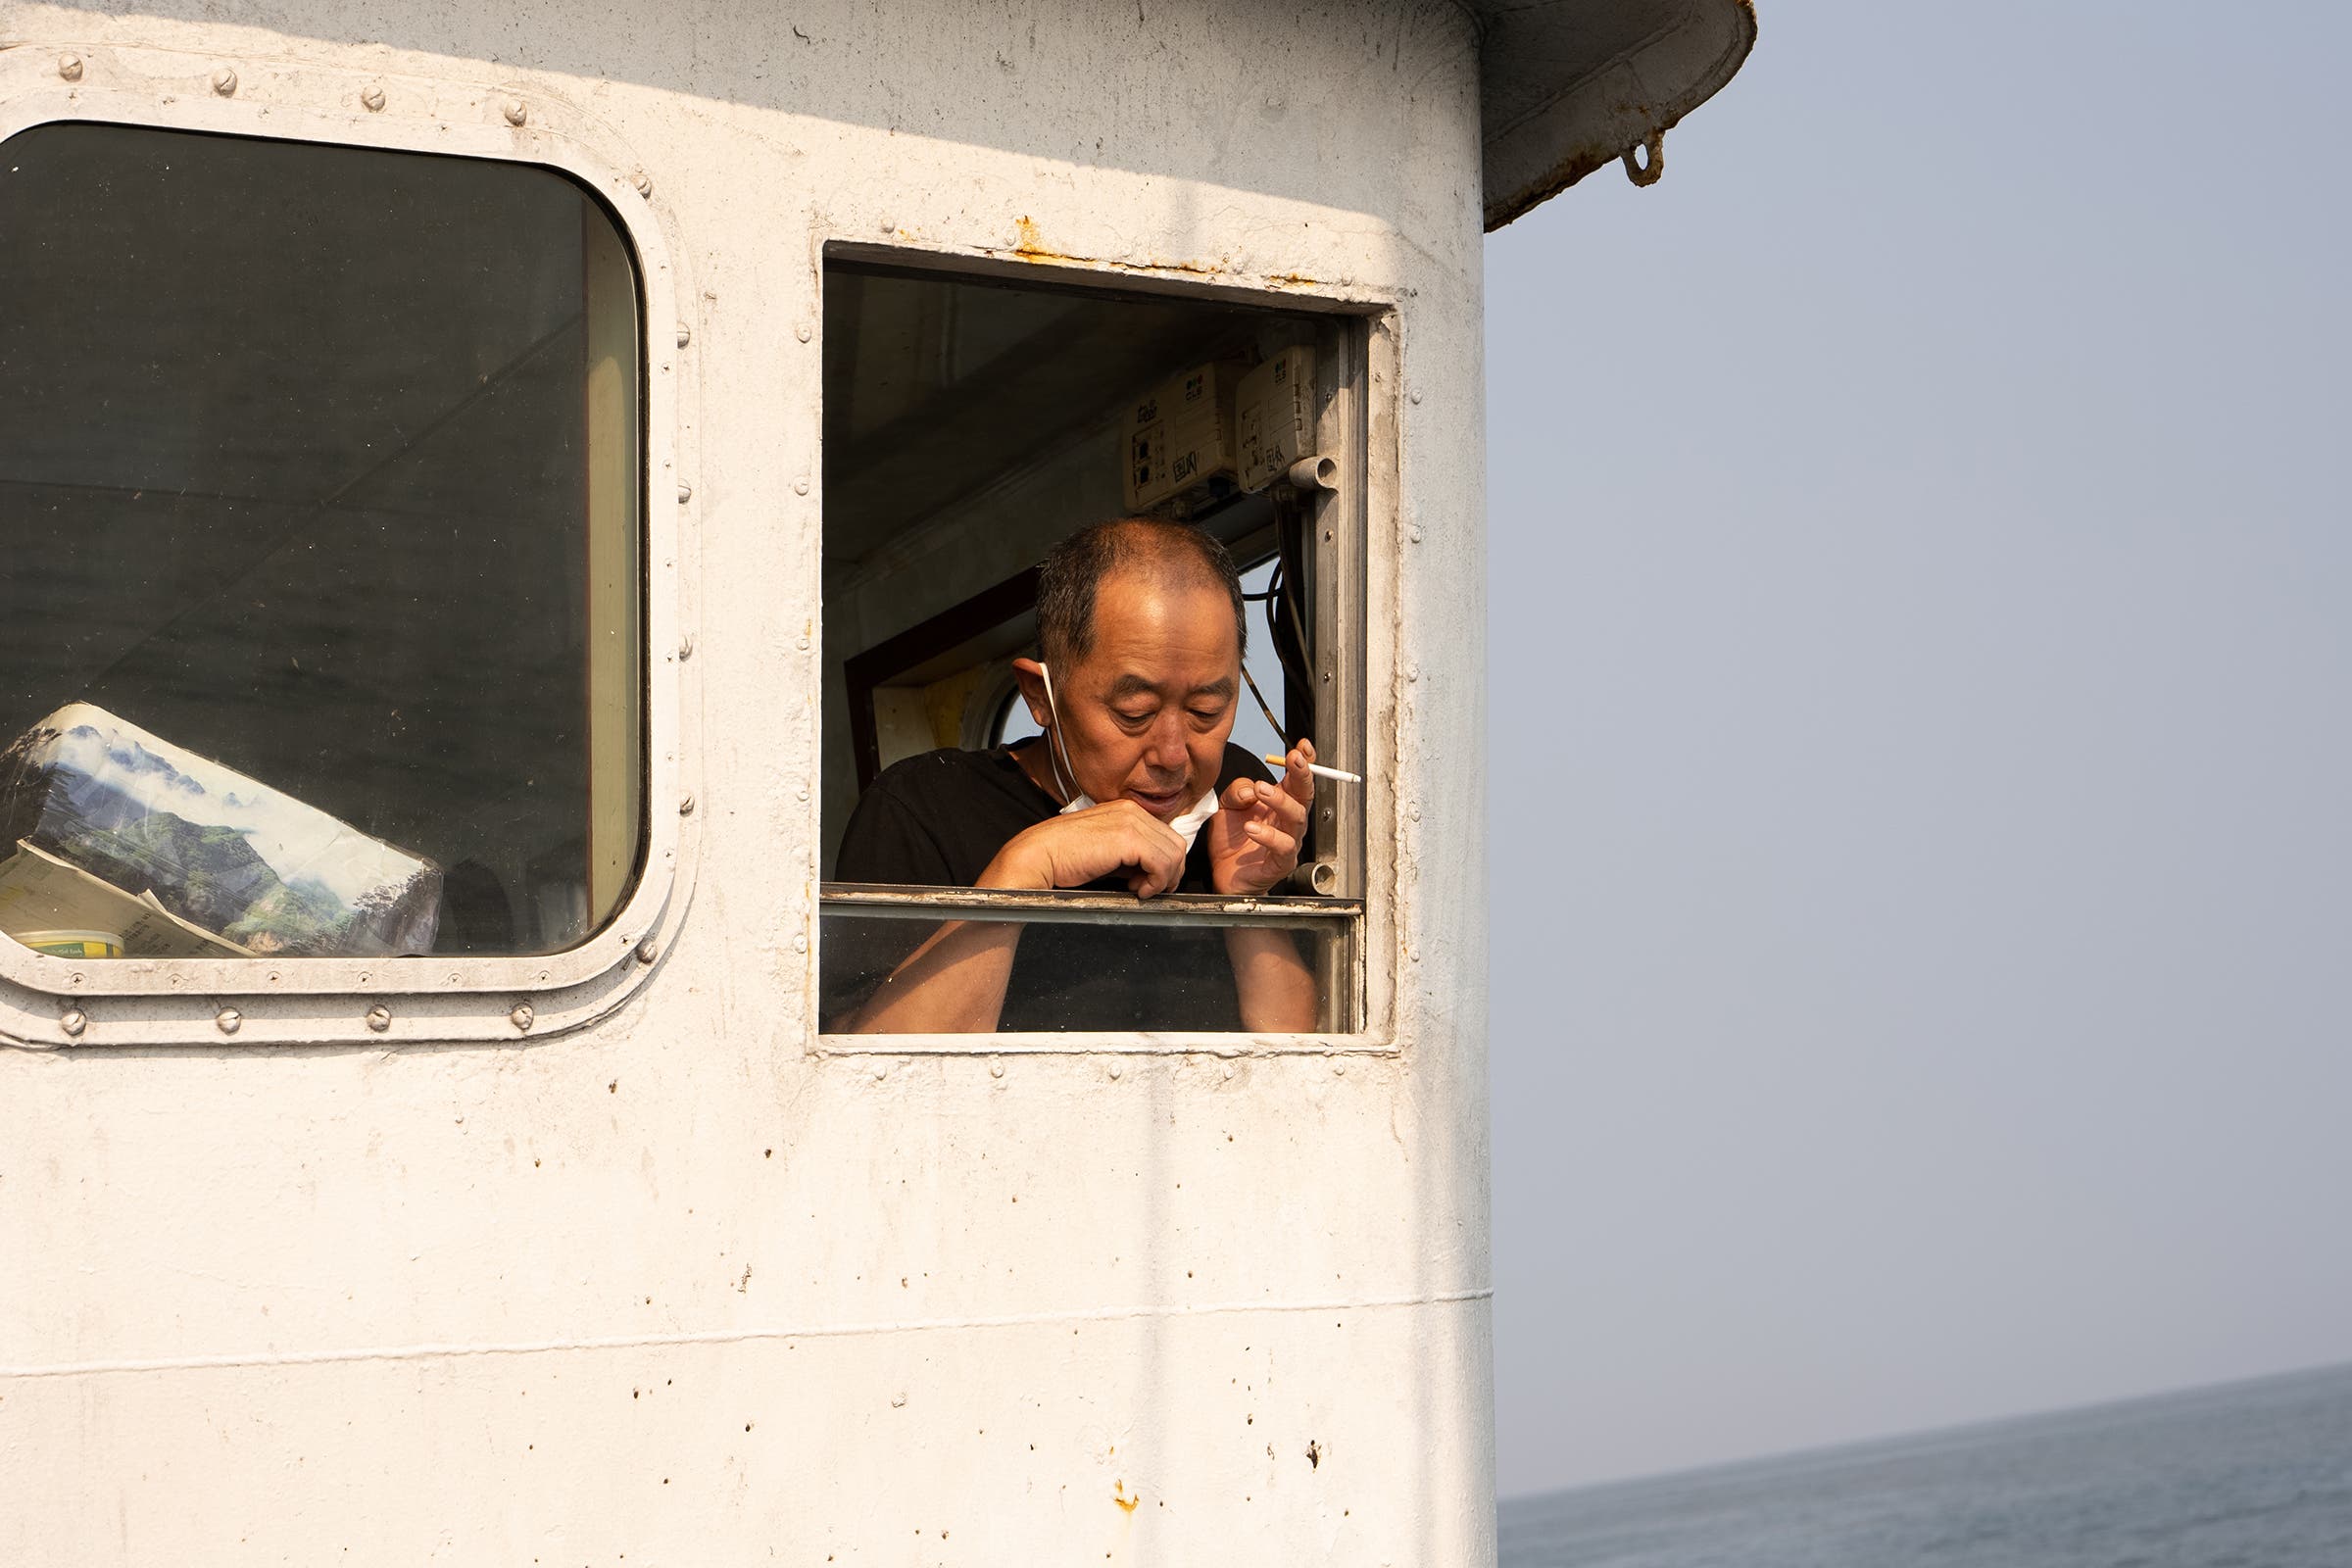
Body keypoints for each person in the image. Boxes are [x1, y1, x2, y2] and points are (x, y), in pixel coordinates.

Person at [826, 517, 1321, 1032]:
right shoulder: (925, 808)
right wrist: (1025, 868)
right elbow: (865, 1064)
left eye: (1205, 711)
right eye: (1135, 713)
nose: (1173, 755)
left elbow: (1307, 1058)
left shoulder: (1239, 800)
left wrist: (1245, 903)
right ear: (1040, 696)